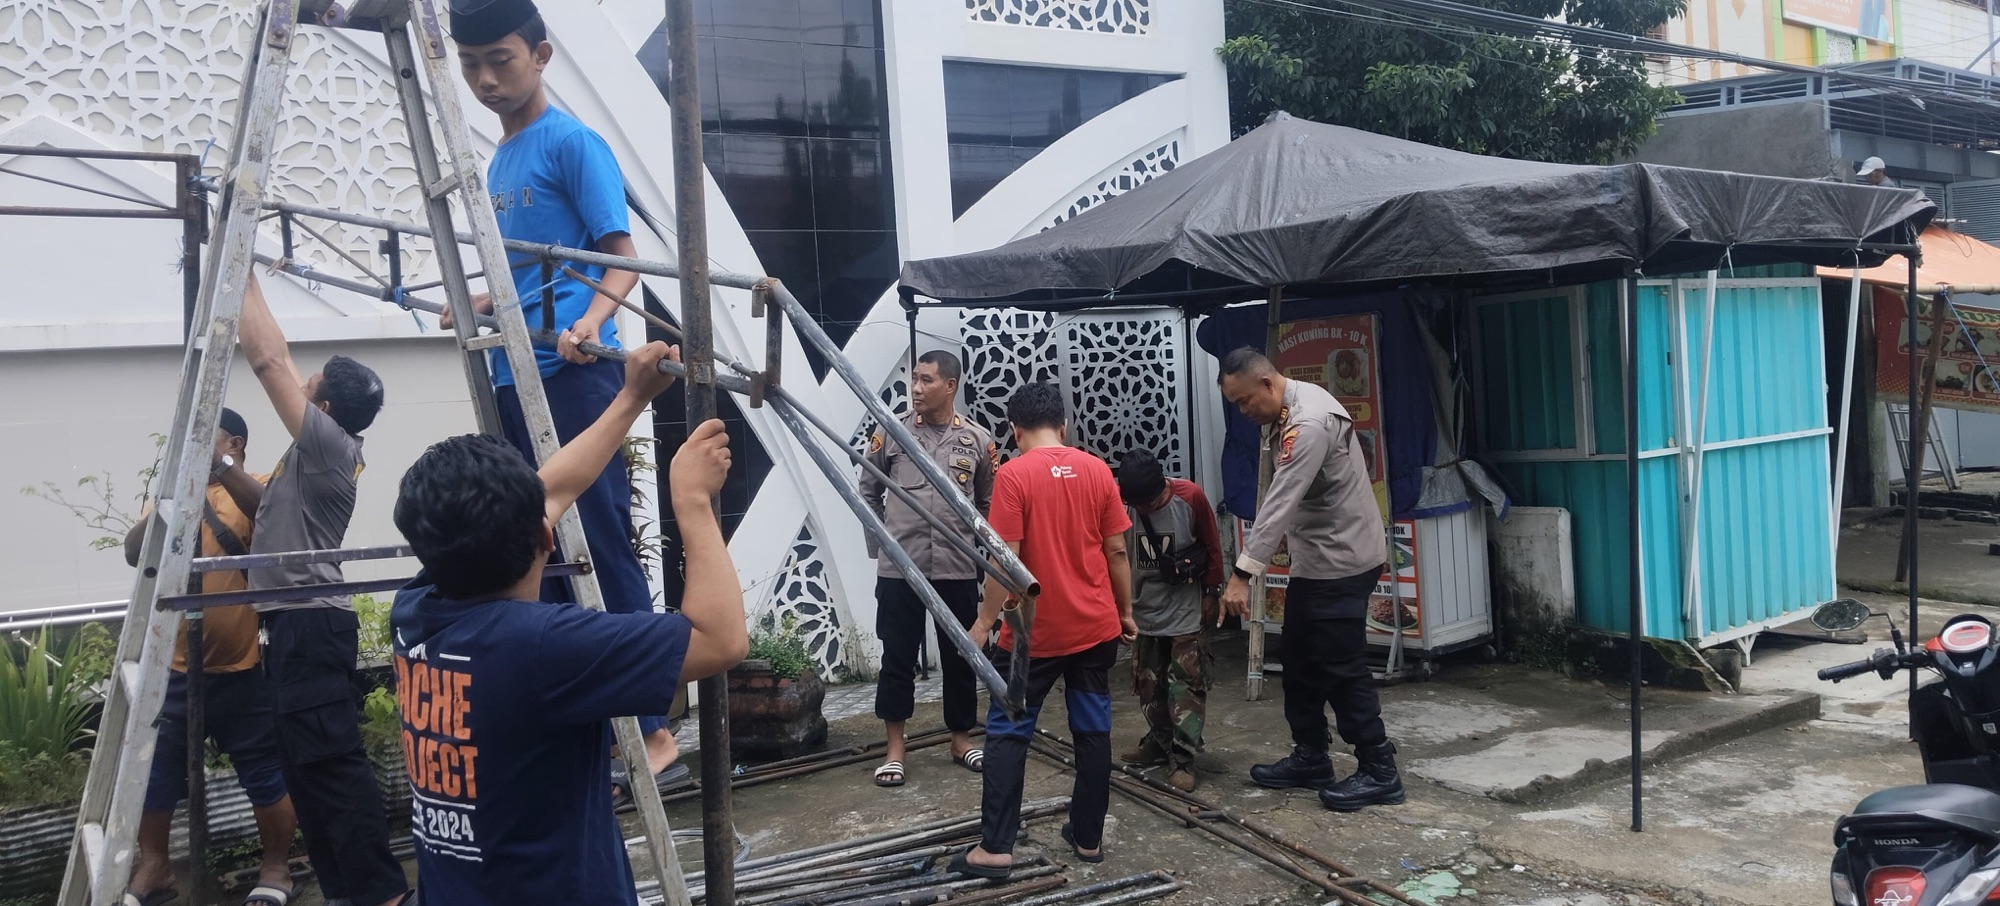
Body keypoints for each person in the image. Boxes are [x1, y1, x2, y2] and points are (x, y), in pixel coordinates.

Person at [388, 341, 748, 906]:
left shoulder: (417, 607)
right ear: (546, 538)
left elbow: (552, 489)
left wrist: (631, 397)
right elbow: (720, 639)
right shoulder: (539, 648)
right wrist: (692, 500)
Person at [440, 0, 680, 789]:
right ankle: (583, 717)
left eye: (500, 61)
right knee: (534, 548)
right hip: (515, 375)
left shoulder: (573, 142)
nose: (485, 79)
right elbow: (526, 273)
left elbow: (622, 256)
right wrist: (481, 301)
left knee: (600, 539)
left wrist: (593, 322)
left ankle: (651, 729)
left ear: (540, 55)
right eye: (471, 65)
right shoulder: (499, 161)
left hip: (575, 376)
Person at [237, 272, 408, 906]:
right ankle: (346, 893)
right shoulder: (320, 447)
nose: (301, 382)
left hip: (309, 622)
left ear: (325, 409)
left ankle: (383, 894)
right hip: (293, 624)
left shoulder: (327, 443)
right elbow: (279, 358)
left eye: (312, 386)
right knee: (306, 772)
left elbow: (267, 360)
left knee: (332, 768)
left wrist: (238, 268)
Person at [954, 383, 1135, 878]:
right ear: (1064, 426)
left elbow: (1003, 561)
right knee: (1093, 730)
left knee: (1008, 733)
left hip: (1030, 637)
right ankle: (1088, 838)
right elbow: (1117, 550)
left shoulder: (1014, 476)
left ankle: (995, 848)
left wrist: (984, 622)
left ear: (1015, 431)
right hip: (1095, 627)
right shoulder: (1097, 470)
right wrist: (1125, 612)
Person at [121, 409, 299, 906]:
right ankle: (155, 866)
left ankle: (276, 868)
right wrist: (168, 501)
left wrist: (219, 468)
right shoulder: (171, 495)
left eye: (204, 438)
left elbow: (272, 518)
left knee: (263, 771)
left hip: (241, 667)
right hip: (174, 669)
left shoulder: (257, 485)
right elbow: (135, 553)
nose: (191, 447)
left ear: (234, 443)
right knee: (154, 772)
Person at [1215, 348, 1401, 813]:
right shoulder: (1284, 411)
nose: (1242, 412)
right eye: (1234, 404)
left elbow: (1280, 501)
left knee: (1340, 666)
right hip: (1316, 561)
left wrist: (1242, 574)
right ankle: (1312, 755)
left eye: (1243, 401)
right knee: (1298, 659)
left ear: (1266, 384)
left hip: (1343, 559)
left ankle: (1380, 769)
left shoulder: (1309, 422)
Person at [860, 350, 996, 787]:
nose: (916, 388)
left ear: (950, 386)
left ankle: (961, 739)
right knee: (897, 657)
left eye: (926, 380)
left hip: (957, 567)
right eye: (914, 379)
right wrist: (883, 546)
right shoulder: (891, 430)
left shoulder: (977, 440)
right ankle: (895, 750)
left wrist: (979, 551)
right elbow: (868, 491)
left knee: (962, 657)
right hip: (901, 569)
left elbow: (986, 503)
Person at [1115, 450, 1222, 794]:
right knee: (1148, 684)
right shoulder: (1121, 505)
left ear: (1162, 486)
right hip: (1142, 610)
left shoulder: (1190, 498)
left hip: (1184, 611)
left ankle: (1183, 757)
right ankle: (1160, 742)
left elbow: (1212, 546)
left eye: (1150, 503)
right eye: (1138, 505)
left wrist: (1212, 594)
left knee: (1185, 687)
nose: (1145, 510)